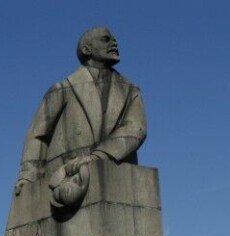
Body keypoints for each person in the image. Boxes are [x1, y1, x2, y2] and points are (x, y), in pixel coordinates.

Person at [13, 27, 146, 210]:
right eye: (106, 39)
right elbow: (38, 135)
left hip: (116, 175)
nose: (115, 43)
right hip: (66, 178)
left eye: (114, 39)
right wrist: (27, 177)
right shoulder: (63, 88)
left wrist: (98, 156)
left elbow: (136, 128)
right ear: (87, 49)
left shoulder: (131, 90)